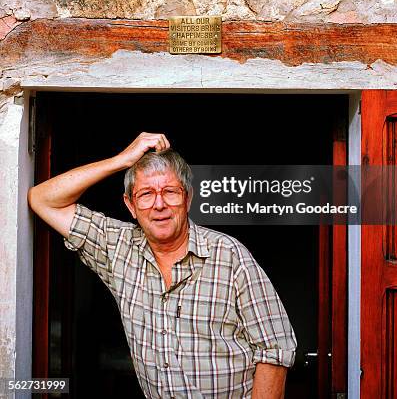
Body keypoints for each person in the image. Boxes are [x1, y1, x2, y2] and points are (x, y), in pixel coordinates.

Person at [28, 132, 296, 398]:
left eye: (170, 192)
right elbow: (43, 199)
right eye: (146, 194)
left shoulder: (230, 255)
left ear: (188, 199)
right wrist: (121, 160)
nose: (159, 205)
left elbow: (274, 349)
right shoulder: (118, 247)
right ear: (130, 205)